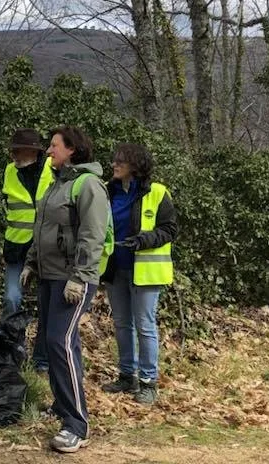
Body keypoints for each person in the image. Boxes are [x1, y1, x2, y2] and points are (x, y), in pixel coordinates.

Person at [21, 125, 109, 454]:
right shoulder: (58, 183)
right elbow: (42, 227)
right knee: (57, 341)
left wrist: (80, 275)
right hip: (50, 276)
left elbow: (92, 234)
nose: (48, 151)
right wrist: (31, 263)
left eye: (54, 145)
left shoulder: (87, 185)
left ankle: (77, 424)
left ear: (71, 149)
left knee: (60, 341)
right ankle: (62, 405)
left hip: (72, 280)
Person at [100, 142, 177, 405]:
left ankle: (148, 382)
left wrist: (145, 240)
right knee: (122, 324)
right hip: (116, 268)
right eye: (114, 160)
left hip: (145, 271)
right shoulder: (108, 192)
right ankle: (126, 376)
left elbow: (169, 230)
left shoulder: (157, 193)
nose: (114, 165)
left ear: (135, 165)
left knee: (145, 326)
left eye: (120, 161)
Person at [0, 128, 53, 370]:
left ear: (32, 151)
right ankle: (12, 352)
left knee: (46, 306)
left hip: (45, 250)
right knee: (12, 299)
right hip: (16, 248)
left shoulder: (52, 169)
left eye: (18, 150)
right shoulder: (10, 171)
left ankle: (42, 360)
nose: (14, 155)